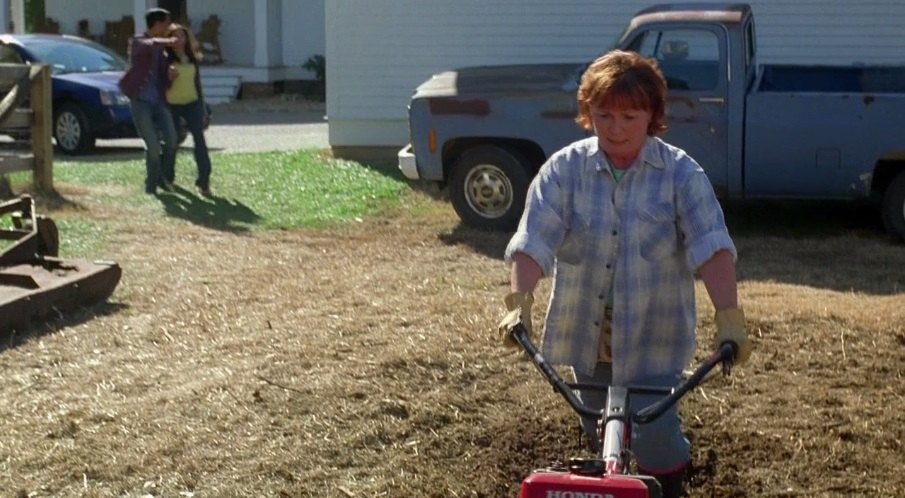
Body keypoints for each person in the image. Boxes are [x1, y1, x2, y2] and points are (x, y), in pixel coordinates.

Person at [496, 50, 752, 498]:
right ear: (587, 113)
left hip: (654, 330)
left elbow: (711, 246)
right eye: (604, 115)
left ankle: (670, 484)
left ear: (652, 114)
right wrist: (520, 301)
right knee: (596, 420)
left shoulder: (679, 174)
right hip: (585, 331)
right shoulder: (564, 170)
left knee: (653, 430)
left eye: (629, 116)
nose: (615, 129)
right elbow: (534, 239)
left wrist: (728, 316)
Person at [118, 8, 178, 195]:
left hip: (159, 102)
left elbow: (162, 79)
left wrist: (171, 76)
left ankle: (165, 178)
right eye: (166, 23)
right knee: (153, 146)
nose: (168, 27)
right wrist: (169, 41)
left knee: (172, 140)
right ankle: (151, 185)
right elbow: (148, 45)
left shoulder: (162, 52)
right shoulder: (137, 41)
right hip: (141, 102)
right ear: (158, 24)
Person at [165, 23, 213, 197]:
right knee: (172, 141)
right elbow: (159, 87)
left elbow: (197, 85)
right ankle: (167, 178)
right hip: (172, 106)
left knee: (199, 140)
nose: (178, 39)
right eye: (174, 36)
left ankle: (204, 181)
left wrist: (203, 110)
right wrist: (168, 79)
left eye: (182, 36)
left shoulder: (192, 59)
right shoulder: (164, 60)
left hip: (192, 103)